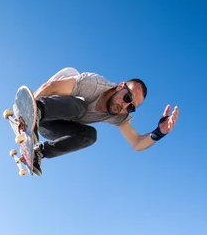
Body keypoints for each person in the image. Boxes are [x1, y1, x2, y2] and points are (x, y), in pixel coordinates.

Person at [31, 67, 179, 176]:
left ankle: (40, 152)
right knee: (81, 107)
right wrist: (30, 109)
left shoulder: (120, 115)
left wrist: (159, 132)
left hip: (50, 127)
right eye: (127, 98)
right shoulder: (94, 84)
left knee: (90, 135)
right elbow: (51, 87)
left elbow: (136, 143)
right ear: (120, 86)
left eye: (131, 107)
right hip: (45, 110)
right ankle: (37, 110)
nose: (125, 106)